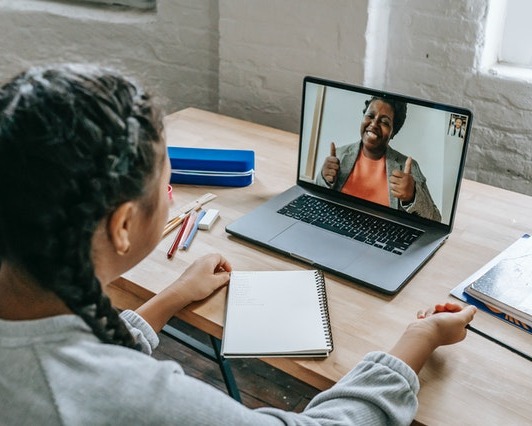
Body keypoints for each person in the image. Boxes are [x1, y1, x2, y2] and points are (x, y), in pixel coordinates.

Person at [0, 64, 476, 425]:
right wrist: (419, 339)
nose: (375, 124)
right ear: (123, 225)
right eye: (167, 183)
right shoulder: (133, 398)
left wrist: (169, 299)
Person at [316, 96, 442, 222]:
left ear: (393, 132)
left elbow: (435, 219)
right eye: (370, 116)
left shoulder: (407, 167)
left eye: (385, 122)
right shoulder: (339, 155)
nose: (374, 124)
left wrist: (412, 196)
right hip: (337, 226)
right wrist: (323, 179)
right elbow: (316, 200)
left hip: (382, 238)